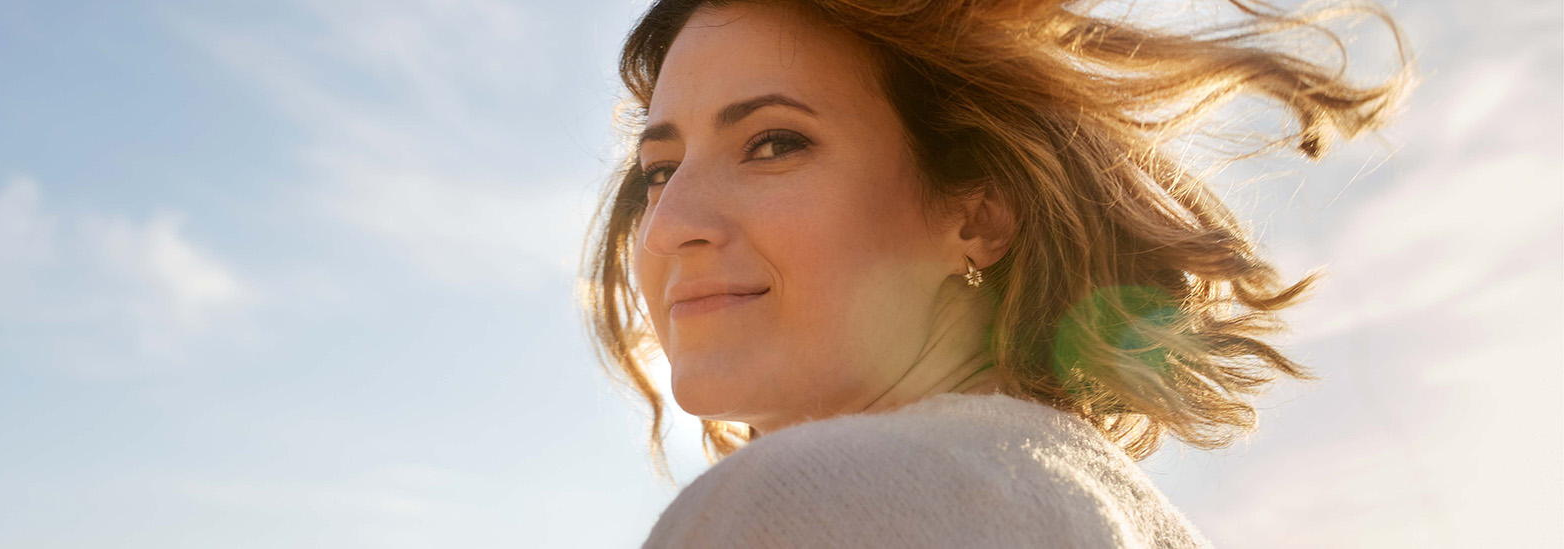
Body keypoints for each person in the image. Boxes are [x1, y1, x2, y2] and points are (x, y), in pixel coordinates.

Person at [578, 0, 1411, 546]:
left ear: (977, 215)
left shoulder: (790, 511)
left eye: (774, 143)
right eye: (660, 171)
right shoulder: (1125, 517)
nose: (670, 226)